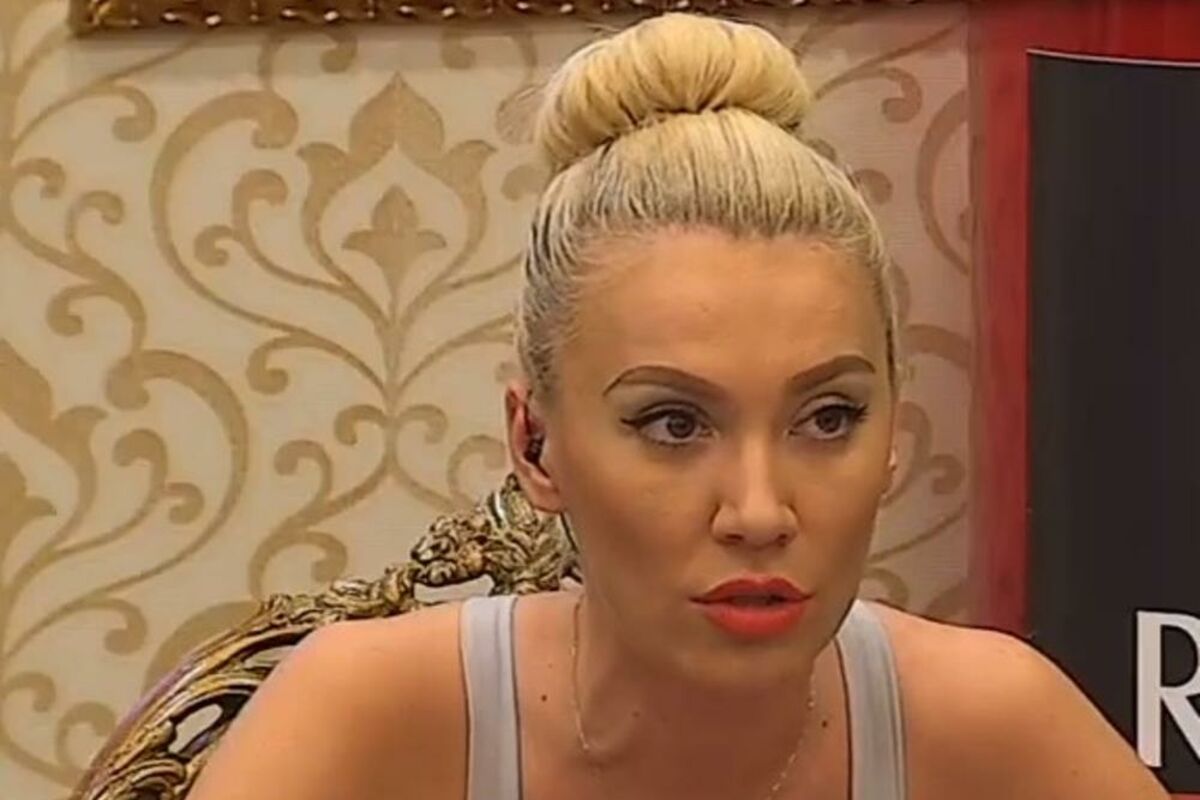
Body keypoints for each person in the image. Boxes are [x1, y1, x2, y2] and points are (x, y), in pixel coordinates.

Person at [187, 13, 1168, 800]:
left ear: (893, 438)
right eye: (674, 424)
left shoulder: (996, 727)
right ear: (535, 444)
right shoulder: (364, 720)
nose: (758, 512)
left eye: (827, 418)